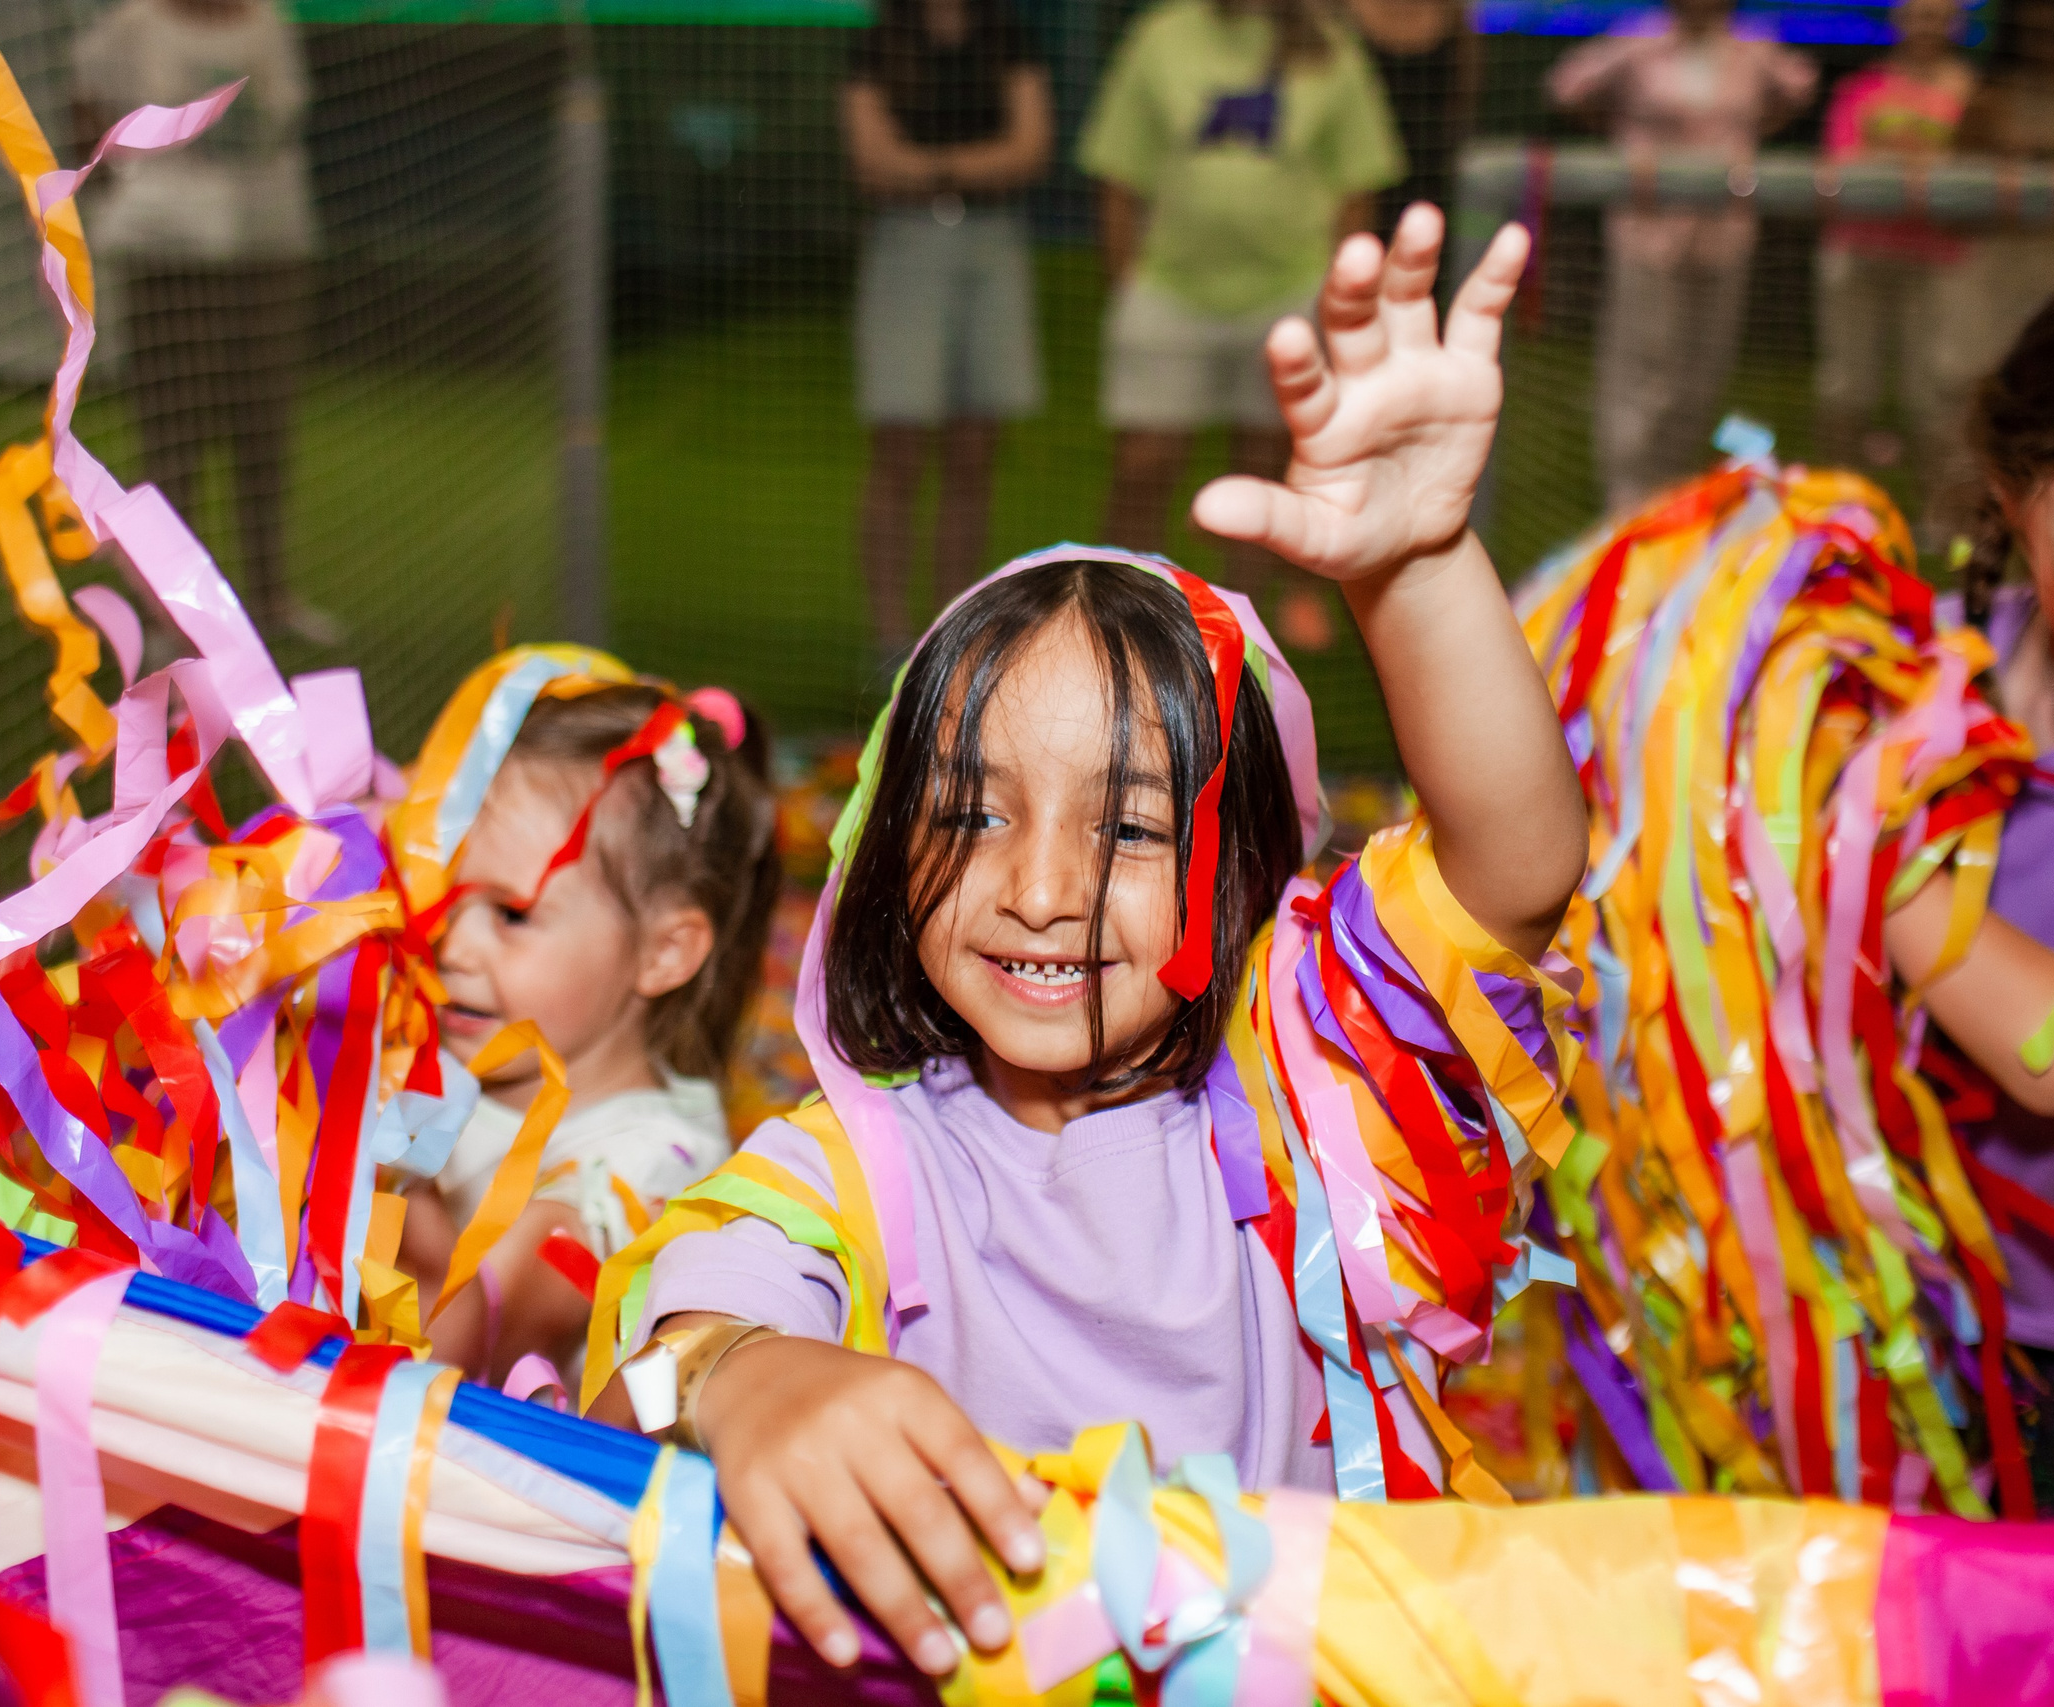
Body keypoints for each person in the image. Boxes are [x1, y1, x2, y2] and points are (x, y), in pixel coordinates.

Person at [591, 208, 1585, 1675]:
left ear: (1245, 868)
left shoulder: (1317, 1106)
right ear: (887, 846)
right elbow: (658, 1346)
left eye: (1128, 827)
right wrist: (746, 1377)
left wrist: (1420, 568)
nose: (1041, 887)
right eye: (972, 811)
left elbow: (1519, 867)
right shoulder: (860, 1168)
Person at [1885, 251, 2054, 1519]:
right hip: (1905, 1318)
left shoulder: (1849, 770)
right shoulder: (1905, 675)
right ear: (2012, 490)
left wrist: (1840, 832)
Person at [395, 676, 782, 1391]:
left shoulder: (643, 1176)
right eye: (444, 898)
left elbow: (467, 1341)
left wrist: (380, 1169)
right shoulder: (440, 1057)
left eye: (512, 914)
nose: (452, 946)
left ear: (663, 953)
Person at [1079, 0, 1407, 652]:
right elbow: (1117, 173)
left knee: (1262, 473)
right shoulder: (1161, 36)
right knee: (1144, 461)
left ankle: (1239, 639)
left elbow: (1358, 187)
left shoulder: (1330, 47)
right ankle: (1118, 625)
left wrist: (1335, 301)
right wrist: (1127, 285)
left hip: (1288, 292)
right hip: (1169, 289)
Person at [71, 0, 330, 643]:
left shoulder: (268, 20)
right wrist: (125, 183)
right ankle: (170, 610)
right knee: (173, 433)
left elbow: (286, 116)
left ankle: (269, 597)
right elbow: (86, 103)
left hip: (267, 245)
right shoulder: (134, 26)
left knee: (263, 429)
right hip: (169, 254)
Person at [844, 0, 1054, 663]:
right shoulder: (879, 42)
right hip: (905, 246)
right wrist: (975, 165)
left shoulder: (1007, 35)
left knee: (973, 453)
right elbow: (871, 159)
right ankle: (889, 638)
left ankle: (955, 631)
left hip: (994, 245)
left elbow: (1031, 148)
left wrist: (928, 167)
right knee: (899, 453)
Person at [1548, 0, 1815, 517]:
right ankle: (1627, 495)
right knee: (1643, 360)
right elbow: (1568, 88)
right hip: (1649, 231)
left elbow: (1798, 89)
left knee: (1702, 363)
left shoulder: (1751, 48)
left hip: (1723, 232)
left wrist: (1744, 143)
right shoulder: (1640, 40)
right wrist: (1624, 134)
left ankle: (1678, 485)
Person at [1933, 0, 2054, 458]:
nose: (2050, 22)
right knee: (1973, 411)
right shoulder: (1990, 98)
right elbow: (1953, 210)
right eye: (2037, 13)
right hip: (1995, 283)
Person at [1813, 0, 1974, 523]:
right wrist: (1924, 165)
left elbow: (1974, 170)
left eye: (1936, 15)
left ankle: (1940, 519)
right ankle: (1840, 511)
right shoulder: (1861, 88)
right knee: (1848, 388)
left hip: (1938, 260)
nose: (1925, 25)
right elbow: (1841, 166)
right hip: (1858, 254)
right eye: (1916, 13)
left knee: (1935, 395)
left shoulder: (1973, 93)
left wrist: (1888, 152)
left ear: (1955, 22)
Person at [1347, 0, 1478, 250]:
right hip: (1366, 175)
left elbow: (1465, 89)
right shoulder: (1345, 13)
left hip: (1431, 167)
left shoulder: (1452, 13)